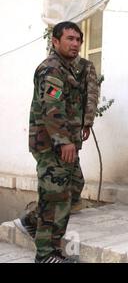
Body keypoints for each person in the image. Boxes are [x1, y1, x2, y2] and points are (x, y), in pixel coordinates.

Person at [13, 21, 98, 263]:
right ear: (56, 41)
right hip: (52, 145)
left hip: (64, 142)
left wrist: (84, 124)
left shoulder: (68, 68)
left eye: (78, 40)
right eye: (69, 39)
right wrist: (63, 141)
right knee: (57, 197)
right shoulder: (51, 70)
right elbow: (52, 108)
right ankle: (46, 254)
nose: (75, 44)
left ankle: (31, 221)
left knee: (70, 188)